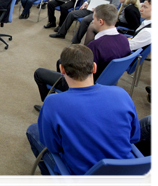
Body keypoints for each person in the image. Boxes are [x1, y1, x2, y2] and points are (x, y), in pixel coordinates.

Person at [27, 44, 140, 184]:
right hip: (126, 177)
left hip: (83, 181)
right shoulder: (122, 94)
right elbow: (134, 137)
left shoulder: (53, 103)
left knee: (33, 130)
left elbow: (52, 147)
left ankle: (52, 175)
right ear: (94, 67)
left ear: (62, 69)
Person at [33, 4, 131, 107]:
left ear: (101, 22)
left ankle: (51, 107)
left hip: (84, 86)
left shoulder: (96, 45)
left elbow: (83, 71)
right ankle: (64, 97)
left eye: (94, 19)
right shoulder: (124, 40)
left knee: (39, 73)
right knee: (60, 62)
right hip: (106, 82)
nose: (92, 22)